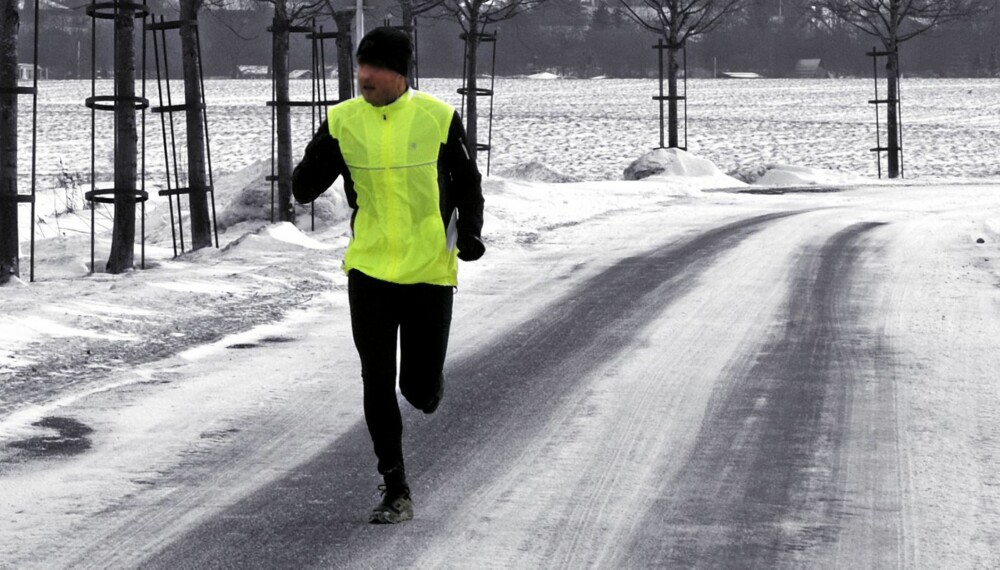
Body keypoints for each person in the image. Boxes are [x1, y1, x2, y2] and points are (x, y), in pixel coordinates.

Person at [292, 27, 485, 525]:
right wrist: (311, 168)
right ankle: (395, 486)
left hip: (427, 271)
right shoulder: (343, 120)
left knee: (416, 389)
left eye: (374, 67)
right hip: (370, 268)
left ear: (400, 73)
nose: (363, 76)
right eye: (360, 66)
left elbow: (468, 183)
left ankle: (428, 384)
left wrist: (470, 234)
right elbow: (307, 184)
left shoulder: (438, 118)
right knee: (375, 380)